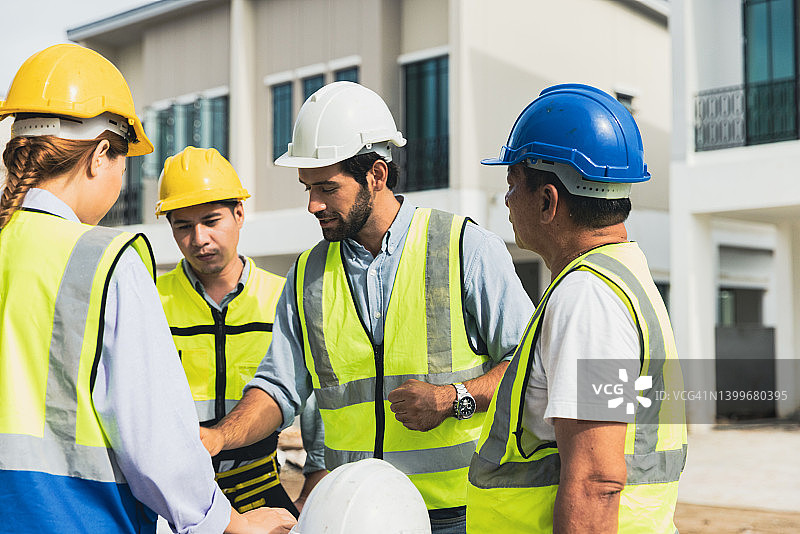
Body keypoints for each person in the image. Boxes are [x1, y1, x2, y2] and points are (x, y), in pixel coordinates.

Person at [200, 81, 534, 534]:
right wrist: (220, 436)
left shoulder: (464, 248)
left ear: (376, 175)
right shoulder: (307, 275)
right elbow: (278, 389)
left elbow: (529, 367)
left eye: (327, 188)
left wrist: (451, 398)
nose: (313, 205)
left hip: (458, 515)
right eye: (307, 188)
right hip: (351, 516)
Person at [0, 43, 295, 534]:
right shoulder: (105, 262)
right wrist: (227, 524)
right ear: (98, 156)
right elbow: (154, 441)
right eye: (122, 163)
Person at [466, 83, 687, 533]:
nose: (507, 202)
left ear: (547, 201)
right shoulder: (616, 277)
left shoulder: (588, 298)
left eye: (512, 186)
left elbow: (596, 481)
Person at [155, 146, 326, 516]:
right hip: (176, 499)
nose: (199, 238)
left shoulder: (284, 297)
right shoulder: (151, 301)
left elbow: (317, 405)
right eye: (183, 226)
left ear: (239, 214)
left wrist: (308, 494)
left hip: (259, 491)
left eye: (211, 220)